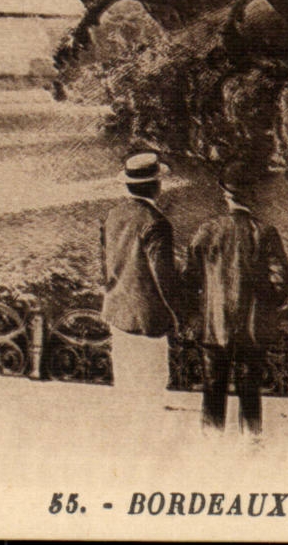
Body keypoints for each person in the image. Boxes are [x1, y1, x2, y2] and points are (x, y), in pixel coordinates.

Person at [184, 165, 288, 435]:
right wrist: (264, 303)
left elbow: (188, 278)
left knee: (213, 387)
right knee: (249, 389)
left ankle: (211, 443)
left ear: (225, 194)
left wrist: (202, 306)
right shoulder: (265, 232)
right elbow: (283, 280)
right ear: (253, 194)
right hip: (252, 327)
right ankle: (251, 443)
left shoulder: (208, 230)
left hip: (214, 325)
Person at [100, 151, 181, 396]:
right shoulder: (156, 222)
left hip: (117, 313)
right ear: (156, 186)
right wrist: (180, 315)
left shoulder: (113, 216)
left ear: (128, 185)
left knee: (125, 387)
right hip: (149, 320)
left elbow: (103, 267)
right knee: (152, 389)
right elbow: (164, 279)